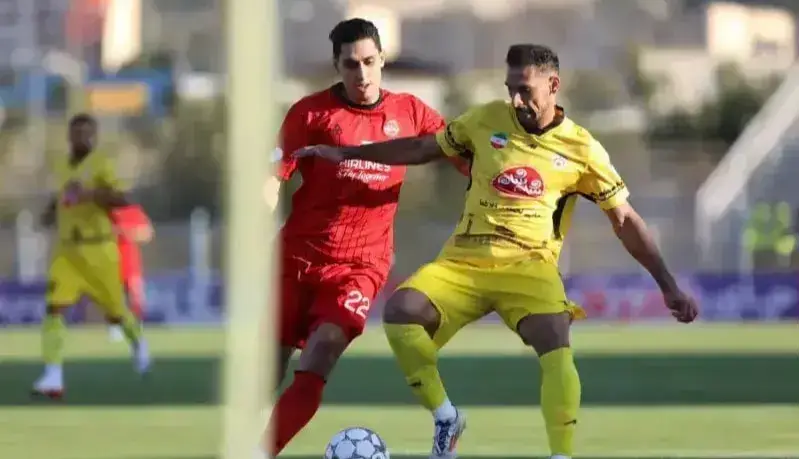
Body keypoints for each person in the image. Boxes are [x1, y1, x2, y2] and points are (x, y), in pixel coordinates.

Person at [294, 44, 699, 459]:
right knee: (400, 313)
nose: (516, 100)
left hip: (529, 265)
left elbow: (625, 220)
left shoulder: (582, 148)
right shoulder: (485, 120)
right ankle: (447, 416)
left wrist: (667, 285)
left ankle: (561, 455)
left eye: (525, 90)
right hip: (463, 262)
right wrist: (346, 153)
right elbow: (421, 148)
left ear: (553, 85)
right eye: (510, 89)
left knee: (555, 339)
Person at [259, 18, 466, 457]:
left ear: (382, 60)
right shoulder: (309, 113)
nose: (363, 74)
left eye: (370, 62)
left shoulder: (410, 112)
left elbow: (461, 151)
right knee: (266, 370)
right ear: (337, 66)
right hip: (296, 259)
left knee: (320, 356)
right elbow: (274, 175)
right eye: (351, 64)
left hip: (360, 268)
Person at [33, 113, 151, 400]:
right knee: (54, 307)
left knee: (116, 311)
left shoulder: (101, 164)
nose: (82, 138)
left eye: (87, 133)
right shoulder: (61, 166)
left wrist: (91, 194)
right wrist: (49, 213)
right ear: (69, 136)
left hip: (98, 249)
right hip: (68, 251)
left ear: (94, 137)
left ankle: (138, 341)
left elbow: (121, 199)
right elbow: (59, 197)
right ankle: (53, 375)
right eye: (77, 133)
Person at [108, 204, 153, 342]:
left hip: (132, 264)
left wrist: (126, 232)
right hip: (111, 262)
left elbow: (147, 234)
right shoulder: (107, 211)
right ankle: (116, 328)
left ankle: (136, 326)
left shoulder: (134, 211)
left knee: (136, 297)